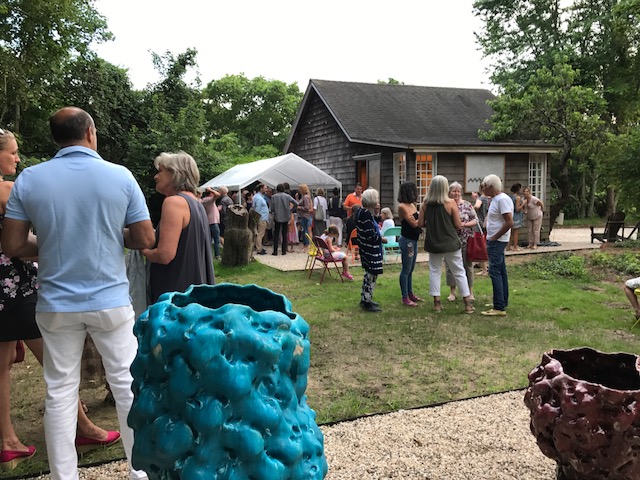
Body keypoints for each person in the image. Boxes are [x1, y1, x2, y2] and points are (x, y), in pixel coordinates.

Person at [3, 107, 155, 480]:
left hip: (56, 304)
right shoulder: (119, 176)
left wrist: (56, 243)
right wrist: (105, 237)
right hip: (110, 301)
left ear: (56, 138)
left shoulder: (30, 180)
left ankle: (63, 477)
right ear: (91, 133)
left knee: (59, 392)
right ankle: (140, 473)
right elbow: (145, 238)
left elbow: (12, 244)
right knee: (126, 384)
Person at [0, 128, 120, 473]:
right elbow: (47, 228)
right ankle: (82, 427)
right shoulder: (9, 189)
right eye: (13, 152)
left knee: (3, 365)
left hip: (3, 289)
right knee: (57, 364)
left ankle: (7, 440)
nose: (18, 158)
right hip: (17, 288)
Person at [142, 152, 215, 304]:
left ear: (175, 173)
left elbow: (165, 255)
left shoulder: (174, 202)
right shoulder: (197, 203)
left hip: (174, 296)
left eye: (160, 171)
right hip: (195, 292)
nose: (156, 176)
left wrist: (143, 249)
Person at [419, 176, 474, 314]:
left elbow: (420, 224)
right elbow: (457, 225)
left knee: (435, 271)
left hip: (433, 243)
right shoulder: (450, 204)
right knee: (459, 272)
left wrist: (431, 223)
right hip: (450, 242)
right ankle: (467, 303)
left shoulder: (425, 204)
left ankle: (437, 303)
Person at [480, 174, 514, 316]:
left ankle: (499, 307)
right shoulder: (495, 199)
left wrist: (494, 237)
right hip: (495, 240)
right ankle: (501, 300)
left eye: (484, 186)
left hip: (497, 241)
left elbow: (509, 222)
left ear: (491, 187)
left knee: (494, 272)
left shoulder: (502, 200)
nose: (482, 188)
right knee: (501, 270)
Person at [445, 181, 478, 303]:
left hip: (465, 239)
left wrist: (464, 224)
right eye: (454, 191)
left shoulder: (467, 205)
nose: (456, 193)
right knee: (450, 266)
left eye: (458, 191)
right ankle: (452, 292)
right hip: (450, 240)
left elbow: (475, 220)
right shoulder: (447, 205)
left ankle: (470, 291)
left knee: (467, 266)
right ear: (449, 192)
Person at [356, 188, 386, 312]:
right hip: (370, 250)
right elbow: (370, 234)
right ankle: (367, 301)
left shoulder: (361, 212)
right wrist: (381, 239)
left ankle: (365, 298)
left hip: (365, 249)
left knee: (368, 275)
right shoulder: (366, 215)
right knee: (371, 276)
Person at [397, 182, 423, 307]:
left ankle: (410, 293)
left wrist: (421, 220)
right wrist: (422, 220)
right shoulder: (402, 206)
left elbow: (418, 221)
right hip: (407, 241)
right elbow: (414, 223)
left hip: (414, 240)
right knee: (406, 269)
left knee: (411, 269)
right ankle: (405, 296)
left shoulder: (412, 205)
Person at [270, 183, 298, 256]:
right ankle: (283, 251)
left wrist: (273, 211)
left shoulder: (274, 197)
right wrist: (291, 210)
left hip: (277, 217)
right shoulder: (287, 196)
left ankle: (275, 251)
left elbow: (271, 208)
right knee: (284, 233)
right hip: (286, 216)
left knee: (276, 234)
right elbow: (296, 203)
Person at [200, 187, 222, 260]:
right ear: (210, 193)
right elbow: (218, 195)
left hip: (208, 221)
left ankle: (209, 255)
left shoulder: (203, 200)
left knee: (209, 239)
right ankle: (217, 255)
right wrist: (211, 189)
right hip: (213, 222)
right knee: (216, 239)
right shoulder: (209, 200)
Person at [472, 186, 490, 276]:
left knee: (481, 247)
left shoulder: (481, 198)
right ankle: (485, 267)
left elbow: (477, 206)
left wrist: (471, 209)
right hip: (487, 224)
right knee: (485, 245)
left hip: (479, 225)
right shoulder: (488, 199)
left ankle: (484, 270)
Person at [250, 184, 269, 255]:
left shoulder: (259, 197)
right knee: (260, 234)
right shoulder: (258, 198)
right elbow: (257, 209)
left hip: (262, 218)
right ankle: (259, 249)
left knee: (258, 234)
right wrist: (256, 219)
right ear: (261, 189)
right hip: (261, 218)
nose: (266, 190)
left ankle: (258, 246)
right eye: (265, 188)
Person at [297, 184, 313, 252]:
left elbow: (307, 207)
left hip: (306, 216)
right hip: (303, 216)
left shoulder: (305, 197)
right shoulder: (304, 197)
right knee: (304, 231)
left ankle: (307, 245)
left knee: (306, 231)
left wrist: (300, 208)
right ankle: (306, 244)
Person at [508, 183, 524, 251]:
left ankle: (508, 246)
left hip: (510, 215)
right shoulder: (517, 197)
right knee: (516, 232)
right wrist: (523, 204)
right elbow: (517, 209)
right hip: (516, 216)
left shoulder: (509, 196)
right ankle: (515, 247)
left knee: (510, 232)